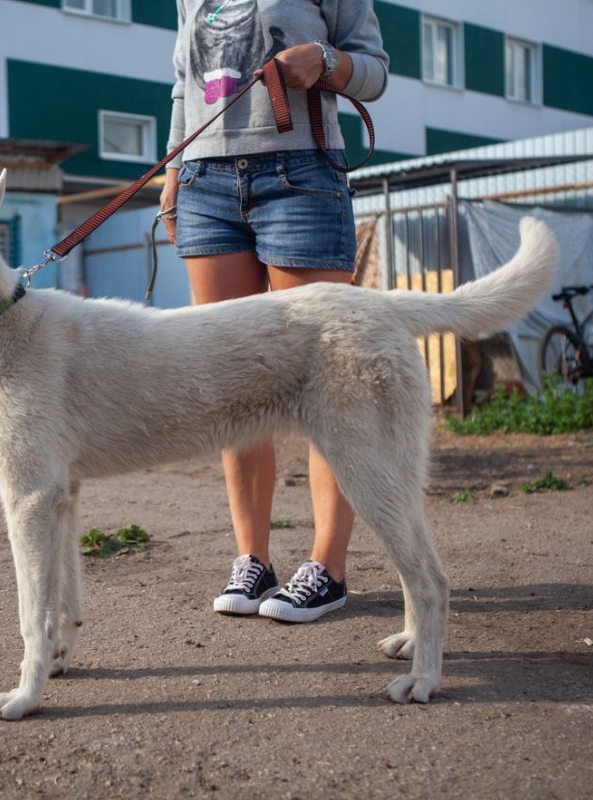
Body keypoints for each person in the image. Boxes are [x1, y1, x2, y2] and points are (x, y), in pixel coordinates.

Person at [159, 1, 389, 623]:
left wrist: (326, 62)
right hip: (205, 183)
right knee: (231, 382)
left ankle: (328, 568)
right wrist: (175, 169)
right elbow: (185, 81)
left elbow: (375, 71)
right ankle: (252, 559)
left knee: (324, 380)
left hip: (301, 171)